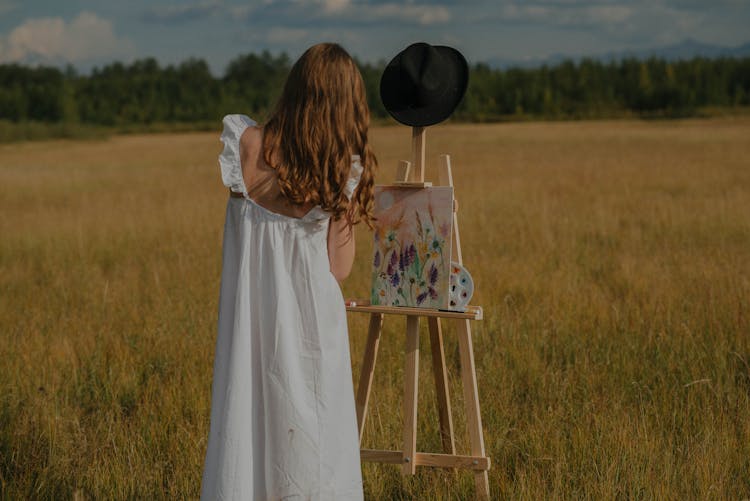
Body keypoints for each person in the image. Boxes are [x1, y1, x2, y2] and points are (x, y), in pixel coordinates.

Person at [200, 43, 376, 500]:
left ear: (294, 88)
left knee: (247, 432)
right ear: (346, 104)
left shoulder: (246, 145)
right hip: (313, 330)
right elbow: (338, 269)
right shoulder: (339, 170)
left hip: (249, 328)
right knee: (314, 449)